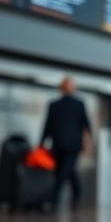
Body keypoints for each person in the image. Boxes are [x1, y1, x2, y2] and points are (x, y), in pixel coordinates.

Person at [41, 76, 92, 208]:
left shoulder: (79, 104)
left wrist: (88, 142)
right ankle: (77, 195)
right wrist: (41, 144)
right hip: (58, 145)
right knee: (65, 171)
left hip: (73, 146)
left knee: (64, 172)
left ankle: (53, 199)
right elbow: (48, 125)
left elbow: (86, 125)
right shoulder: (54, 105)